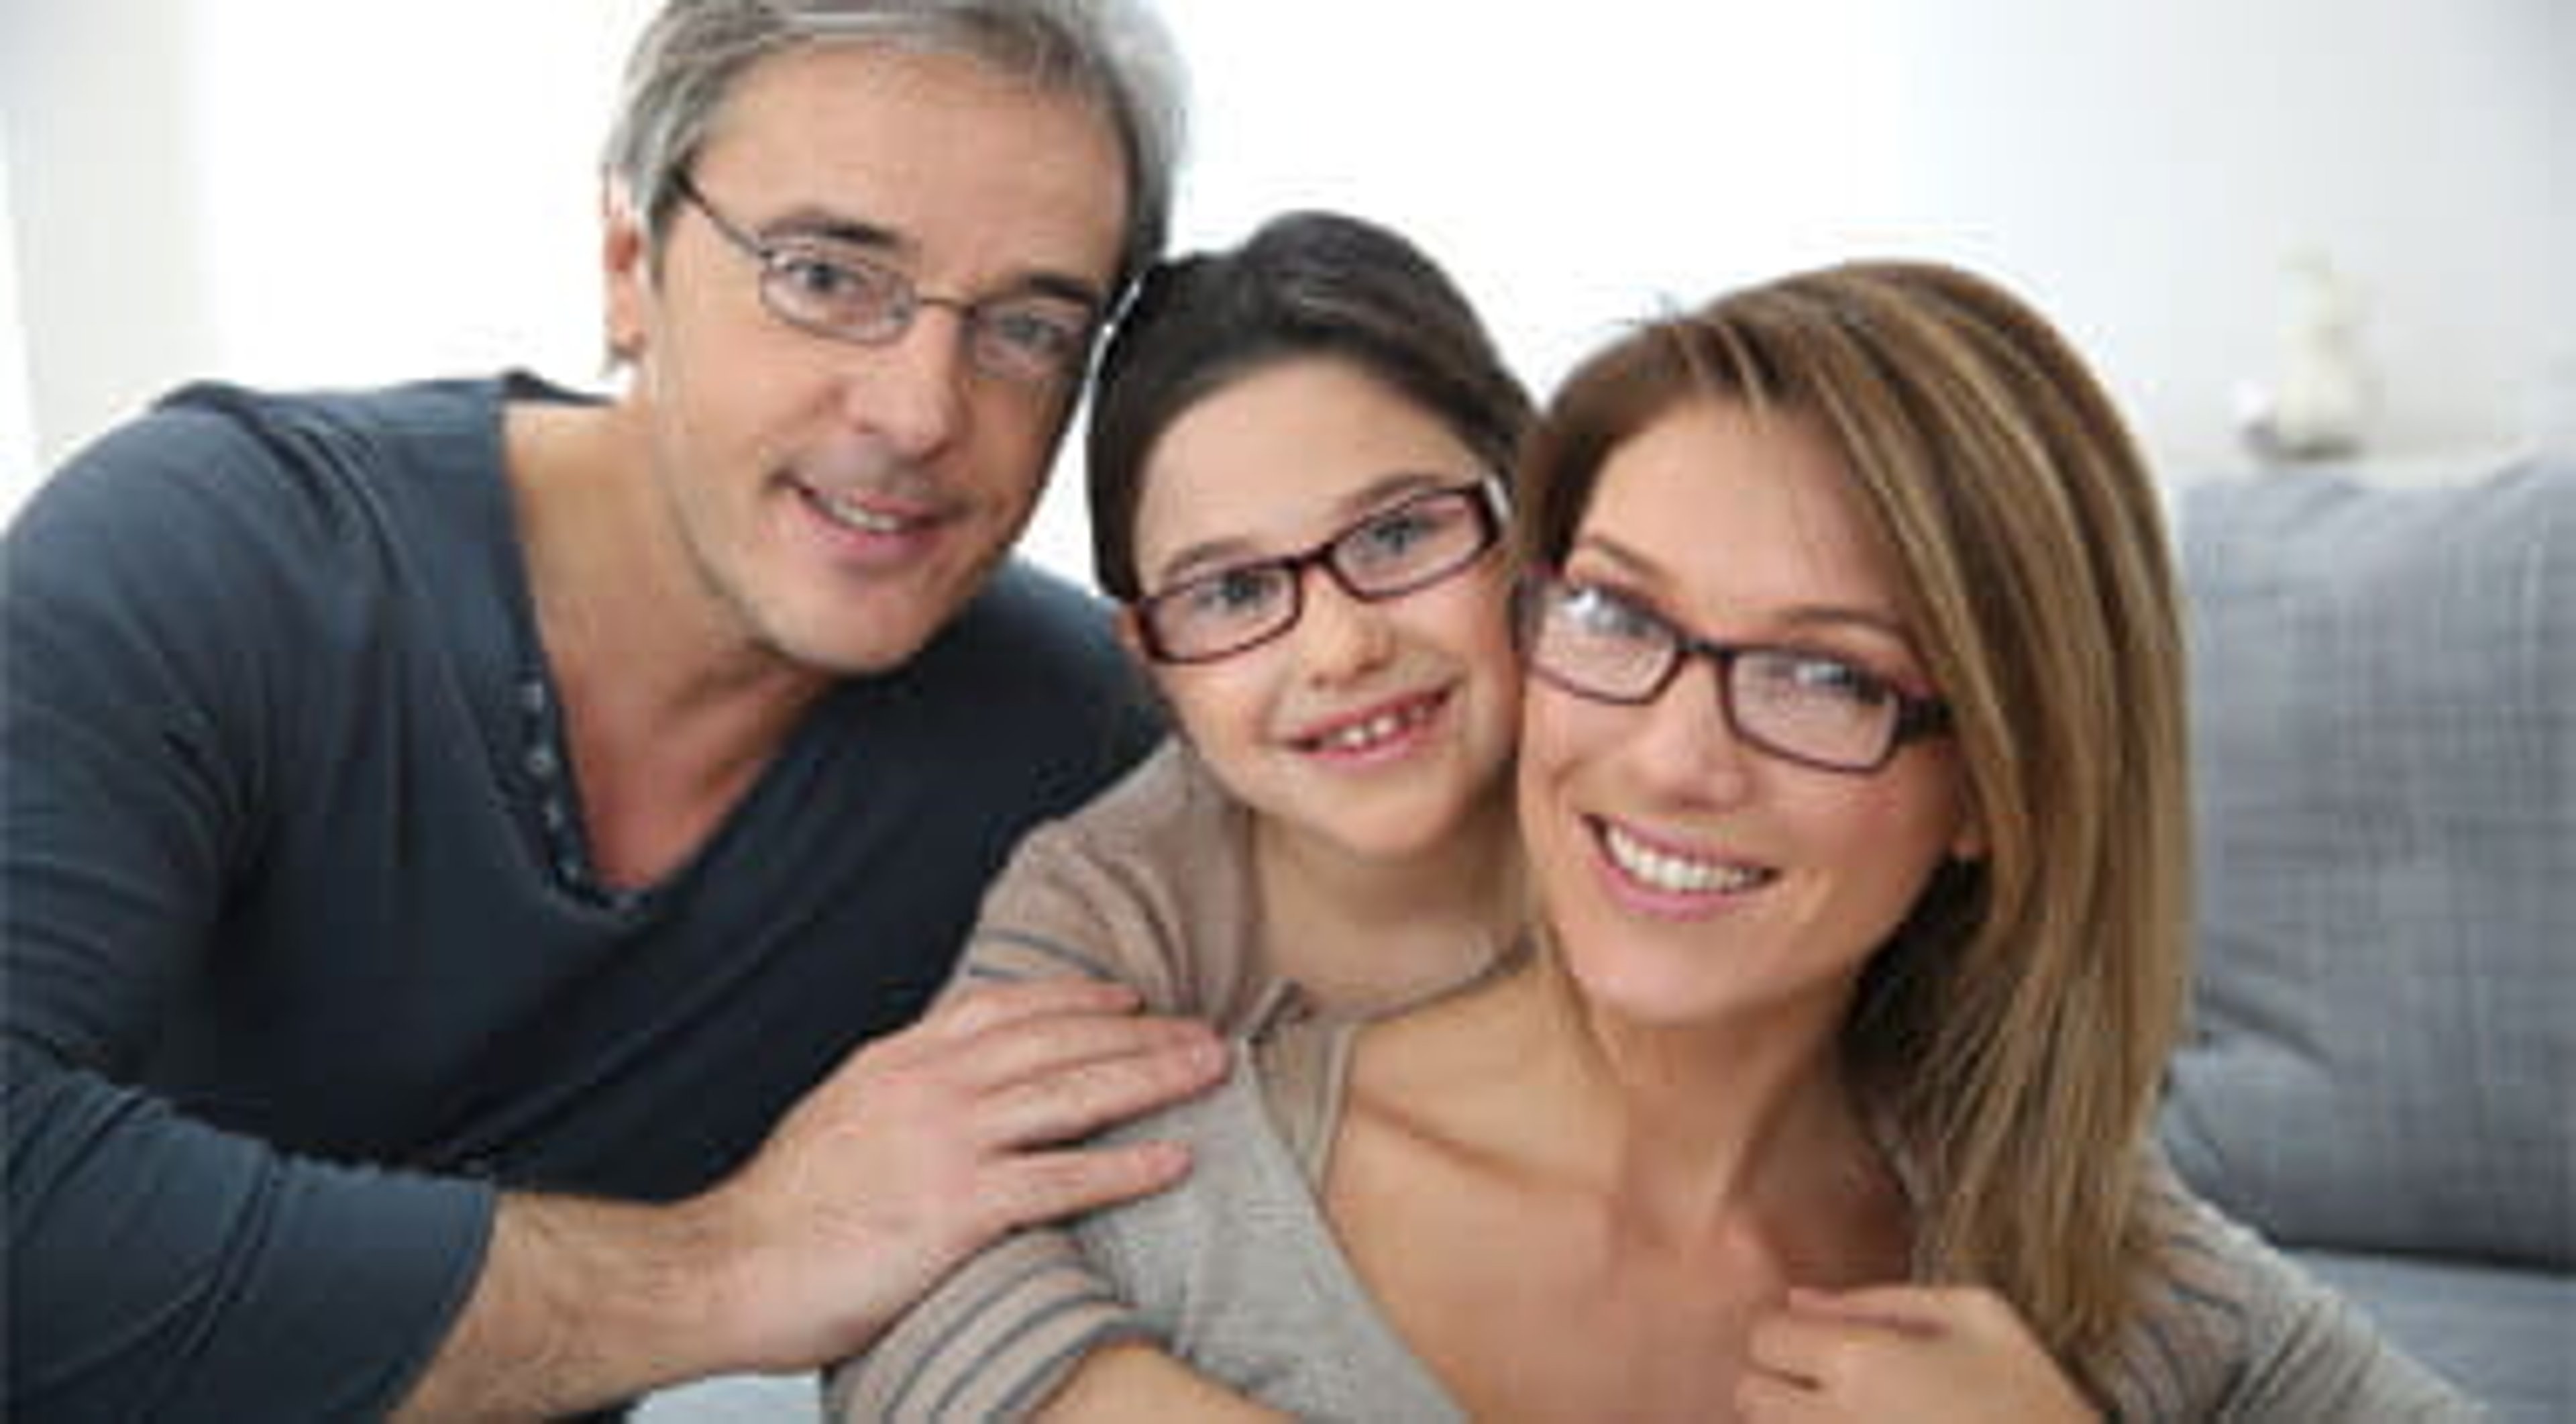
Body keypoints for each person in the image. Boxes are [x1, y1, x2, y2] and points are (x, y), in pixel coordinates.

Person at [0, 2, 1238, 1418]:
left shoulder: (1064, 733)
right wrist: (732, 1263)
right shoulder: (215, 554)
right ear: (628, 261)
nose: (917, 412)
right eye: (827, 274)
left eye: (1027, 327)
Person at [1003, 261, 2483, 1420]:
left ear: (1993, 785)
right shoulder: (1154, 1219)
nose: (1670, 756)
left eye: (1824, 674)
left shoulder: (2097, 1270)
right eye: (1620, 614)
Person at [829, 208, 1536, 1419]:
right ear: (1151, 661)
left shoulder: (1656, 760)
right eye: (1232, 590)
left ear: (1529, 511)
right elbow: (901, 1274)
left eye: (1400, 531)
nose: (1343, 643)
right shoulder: (1110, 896)